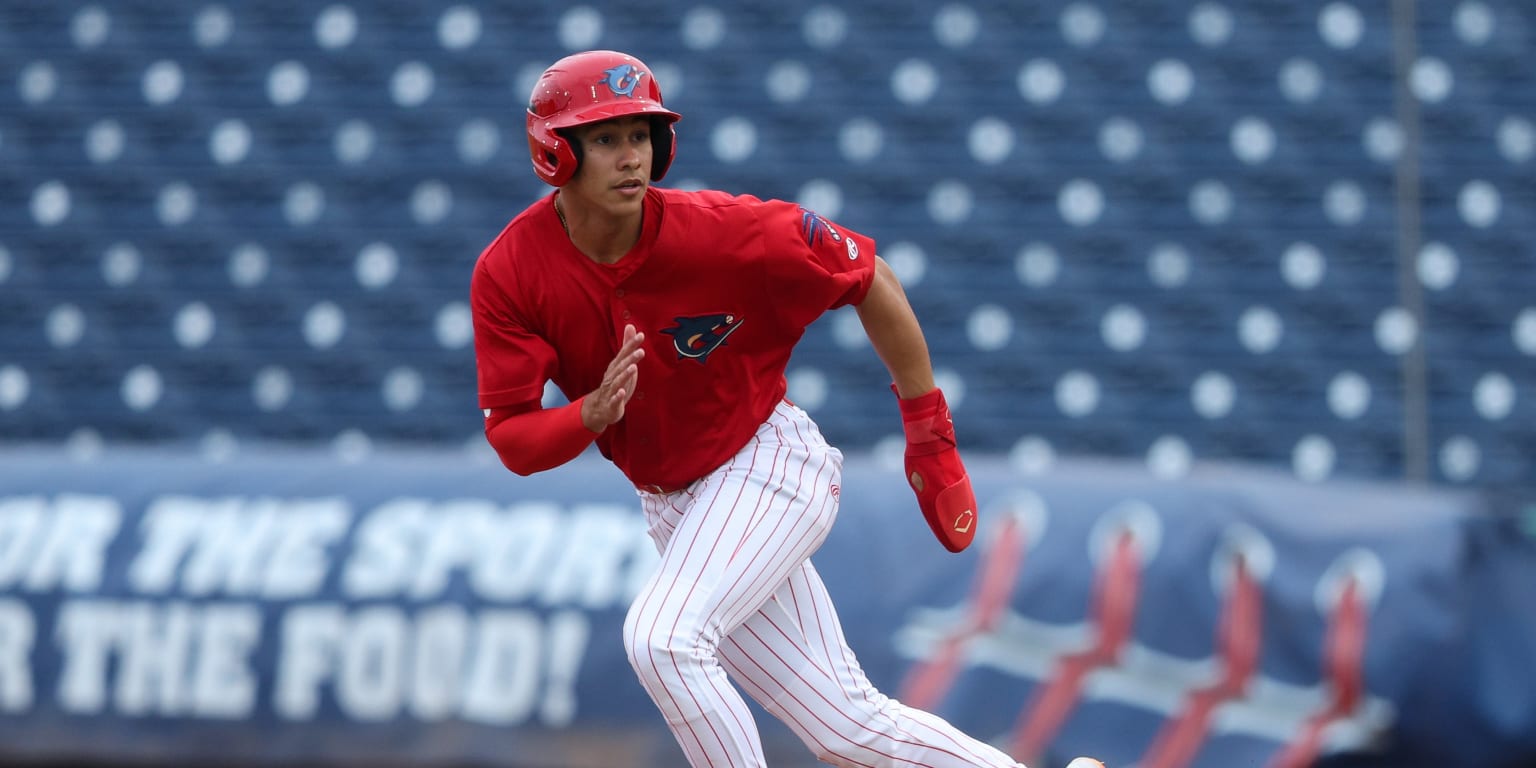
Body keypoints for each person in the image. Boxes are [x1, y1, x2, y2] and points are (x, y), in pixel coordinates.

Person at [471, 49, 1104, 768]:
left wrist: (929, 433)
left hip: (769, 464)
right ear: (556, 151)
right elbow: (514, 440)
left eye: (641, 135)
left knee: (664, 637)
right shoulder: (511, 270)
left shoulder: (725, 233)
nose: (630, 156)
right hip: (678, 507)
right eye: (607, 137)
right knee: (847, 727)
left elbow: (870, 276)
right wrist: (587, 416)